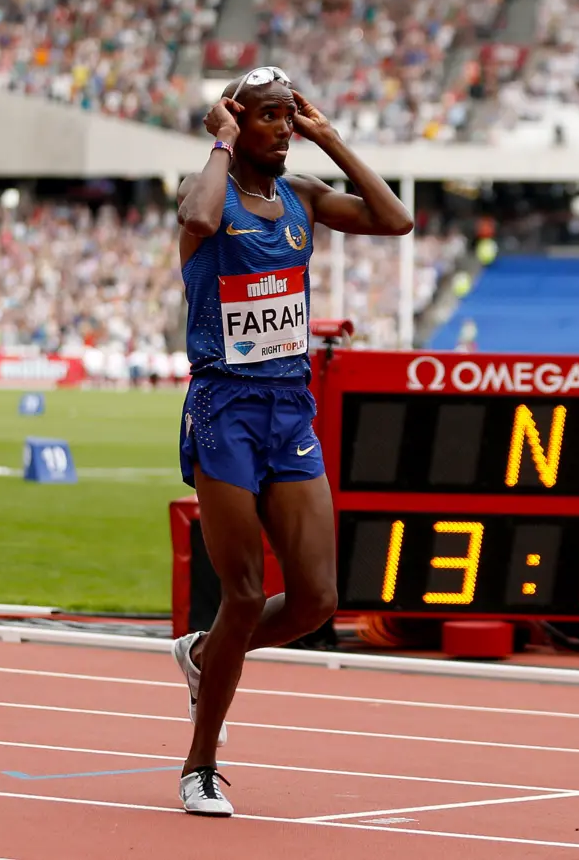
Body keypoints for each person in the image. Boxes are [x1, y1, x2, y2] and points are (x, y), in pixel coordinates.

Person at [173, 66, 413, 816]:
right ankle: (200, 764)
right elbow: (201, 222)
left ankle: (206, 652)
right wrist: (219, 142)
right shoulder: (205, 191)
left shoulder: (302, 196)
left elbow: (394, 220)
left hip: (288, 409)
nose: (283, 127)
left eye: (290, 116)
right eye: (270, 117)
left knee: (314, 600)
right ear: (238, 121)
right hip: (225, 409)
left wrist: (328, 137)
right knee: (243, 593)